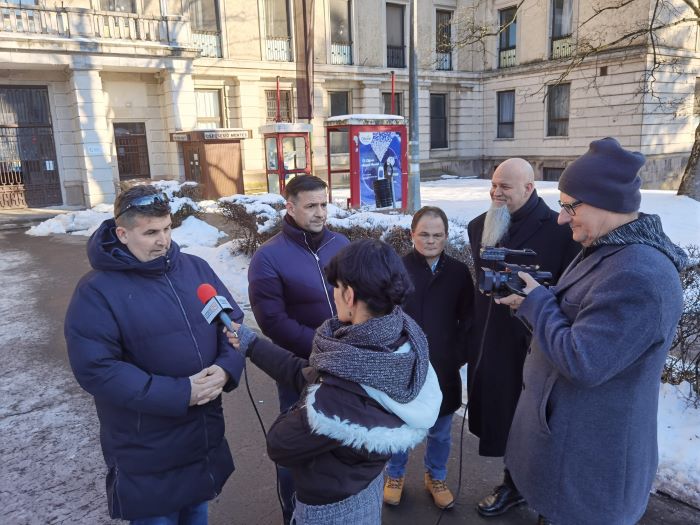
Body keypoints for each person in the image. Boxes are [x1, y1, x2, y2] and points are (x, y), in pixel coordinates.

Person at [496, 137, 686, 525]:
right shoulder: (608, 250)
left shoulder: (639, 276)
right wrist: (532, 300)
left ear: (605, 203)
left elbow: (584, 361)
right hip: (568, 457)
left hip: (591, 472)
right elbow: (578, 315)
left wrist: (538, 302)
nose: (561, 218)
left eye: (570, 206)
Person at [64, 185, 245, 524]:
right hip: (146, 450)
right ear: (122, 234)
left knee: (197, 513)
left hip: (202, 439)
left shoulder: (195, 269)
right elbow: (97, 369)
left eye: (167, 229)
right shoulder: (96, 291)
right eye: (150, 233)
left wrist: (226, 368)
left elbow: (231, 324)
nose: (163, 241)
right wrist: (180, 393)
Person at [229, 239, 442, 525]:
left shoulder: (341, 390)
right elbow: (312, 375)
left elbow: (279, 443)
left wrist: (305, 402)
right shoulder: (399, 344)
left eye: (336, 287)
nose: (334, 294)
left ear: (349, 295)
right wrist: (252, 345)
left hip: (329, 510)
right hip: (366, 489)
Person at [467, 158, 579, 517]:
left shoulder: (561, 232)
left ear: (529, 188)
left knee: (539, 422)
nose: (495, 192)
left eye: (505, 186)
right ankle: (513, 484)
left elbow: (571, 295)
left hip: (540, 342)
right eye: (493, 184)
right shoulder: (478, 227)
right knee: (504, 417)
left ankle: (539, 492)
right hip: (493, 342)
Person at [247, 174, 349, 523]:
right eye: (311, 206)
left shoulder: (341, 243)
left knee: (343, 438)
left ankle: (338, 508)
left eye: (324, 204)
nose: (320, 213)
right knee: (297, 445)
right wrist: (324, 348)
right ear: (289, 207)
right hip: (299, 368)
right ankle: (295, 512)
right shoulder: (268, 257)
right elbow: (273, 321)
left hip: (346, 365)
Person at [383, 206, 474, 509]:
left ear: (446, 236)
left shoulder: (459, 272)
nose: (431, 240)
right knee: (400, 426)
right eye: (424, 234)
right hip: (405, 365)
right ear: (412, 234)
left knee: (441, 432)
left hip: (444, 366)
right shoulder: (397, 269)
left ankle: (436, 476)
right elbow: (385, 316)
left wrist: (457, 354)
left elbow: (469, 319)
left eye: (437, 235)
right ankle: (394, 475)